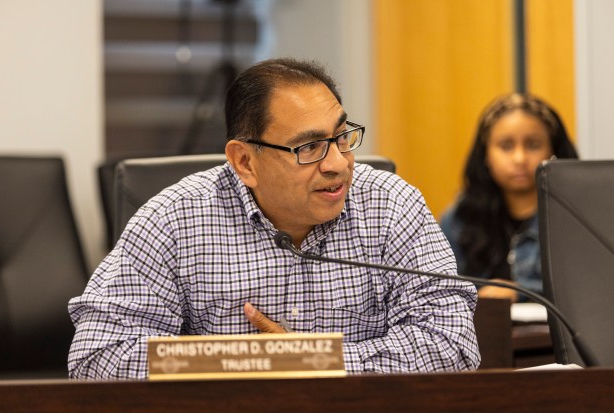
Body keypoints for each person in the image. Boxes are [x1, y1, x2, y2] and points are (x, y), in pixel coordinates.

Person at [68, 58, 480, 379]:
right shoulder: (174, 220)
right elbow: (97, 356)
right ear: (245, 161)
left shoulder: (391, 205)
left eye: (341, 137)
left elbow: (453, 345)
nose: (338, 164)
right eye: (310, 147)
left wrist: (313, 361)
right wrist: (252, 364)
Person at [440, 93, 578, 302]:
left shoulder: (579, 218)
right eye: (506, 146)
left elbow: (591, 291)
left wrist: (520, 292)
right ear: (486, 155)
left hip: (549, 335)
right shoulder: (458, 219)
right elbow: (440, 293)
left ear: (553, 151)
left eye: (532, 145)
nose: (519, 158)